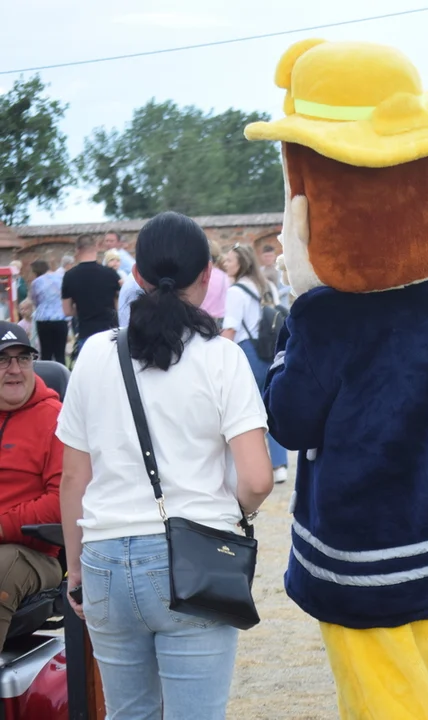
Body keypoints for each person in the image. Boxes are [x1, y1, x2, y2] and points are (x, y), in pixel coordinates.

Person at [56, 211, 274, 719]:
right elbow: (259, 479)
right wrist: (231, 514)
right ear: (207, 276)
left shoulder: (92, 354)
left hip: (104, 559)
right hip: (194, 557)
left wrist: (74, 570)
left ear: (135, 277)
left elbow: (73, 478)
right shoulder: (222, 358)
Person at [0, 321, 64, 649]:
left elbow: (61, 502)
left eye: (23, 359)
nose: (15, 369)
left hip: (34, 554)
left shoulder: (55, 417)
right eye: (3, 360)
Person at [221, 243, 290, 484]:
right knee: (270, 407)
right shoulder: (267, 286)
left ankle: (251, 466)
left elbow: (230, 327)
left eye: (229, 260)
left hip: (247, 350)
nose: (225, 263)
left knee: (247, 412)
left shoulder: (235, 291)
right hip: (270, 349)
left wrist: (218, 356)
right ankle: (280, 465)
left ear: (241, 263)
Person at [61, 234, 122, 361]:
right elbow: (119, 304)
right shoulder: (111, 274)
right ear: (96, 248)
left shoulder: (69, 276)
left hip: (86, 332)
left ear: (77, 250)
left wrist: (83, 308)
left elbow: (67, 310)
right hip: (110, 332)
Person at [29, 259, 67, 364]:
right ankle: (63, 376)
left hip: (43, 318)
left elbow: (34, 299)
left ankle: (47, 377)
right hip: (60, 317)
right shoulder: (61, 278)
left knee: (46, 353)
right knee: (60, 353)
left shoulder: (36, 282)